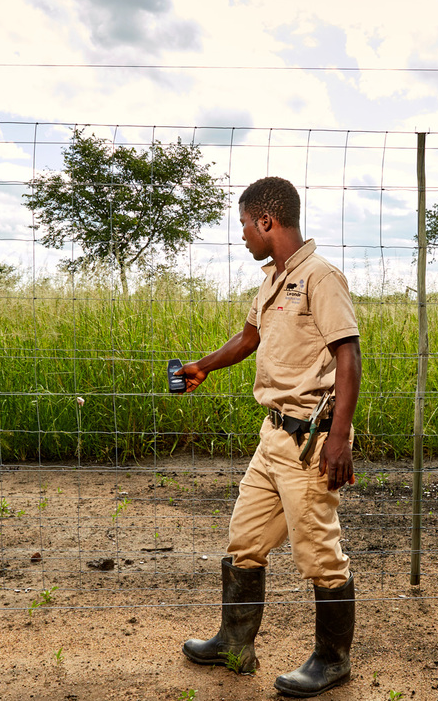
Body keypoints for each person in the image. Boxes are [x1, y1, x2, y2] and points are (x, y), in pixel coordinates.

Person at [175, 176, 362, 697]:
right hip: (272, 436)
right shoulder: (273, 278)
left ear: (266, 222)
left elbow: (348, 355)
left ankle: (332, 660)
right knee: (246, 538)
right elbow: (250, 337)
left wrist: (339, 436)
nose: (241, 236)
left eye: (242, 225)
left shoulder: (321, 277)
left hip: (309, 440)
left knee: (320, 553)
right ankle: (235, 643)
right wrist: (203, 367)